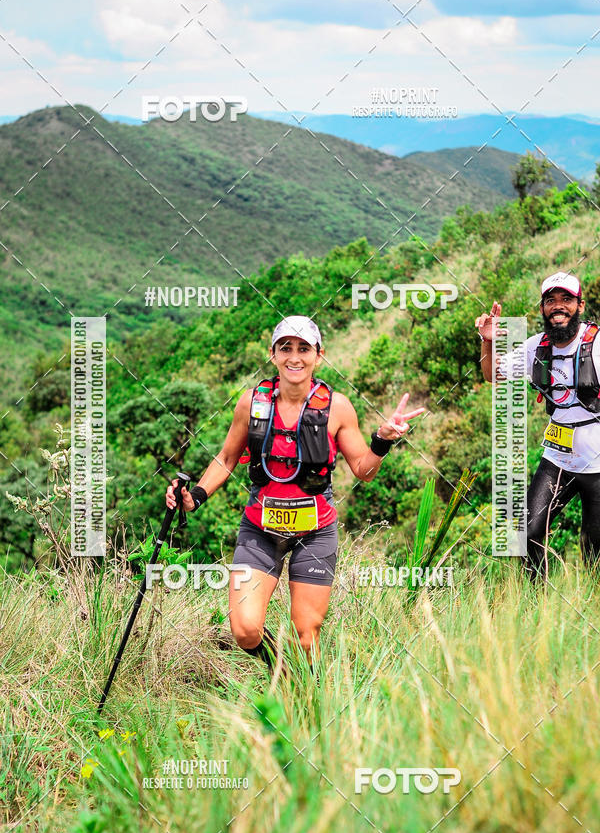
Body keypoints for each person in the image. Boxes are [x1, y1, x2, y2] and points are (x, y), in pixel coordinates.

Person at [166, 315, 425, 667]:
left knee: (306, 634)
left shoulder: (338, 407)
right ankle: (284, 674)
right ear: (272, 355)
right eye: (285, 348)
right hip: (260, 531)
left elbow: (363, 471)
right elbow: (227, 458)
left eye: (304, 348)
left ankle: (307, 699)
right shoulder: (252, 403)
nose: (294, 357)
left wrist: (381, 440)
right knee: (244, 629)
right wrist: (195, 496)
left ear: (319, 355)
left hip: (315, 533)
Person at [476, 271, 600, 579]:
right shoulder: (536, 347)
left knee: (594, 548)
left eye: (566, 300)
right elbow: (493, 375)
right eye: (550, 301)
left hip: (597, 462)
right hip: (558, 458)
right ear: (543, 308)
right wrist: (487, 341)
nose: (558, 307)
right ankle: (538, 606)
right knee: (527, 533)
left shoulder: (596, 345)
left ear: (580, 306)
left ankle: (590, 612)